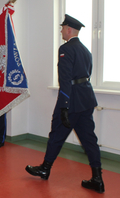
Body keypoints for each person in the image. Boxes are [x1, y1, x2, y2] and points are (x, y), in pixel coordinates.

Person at [25, 14, 104, 193]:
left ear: (69, 29)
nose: (61, 31)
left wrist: (64, 106)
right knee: (89, 139)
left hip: (72, 100)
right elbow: (87, 74)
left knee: (56, 135)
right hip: (86, 99)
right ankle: (97, 179)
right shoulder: (86, 51)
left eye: (62, 28)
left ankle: (45, 169)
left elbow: (65, 80)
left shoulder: (66, 49)